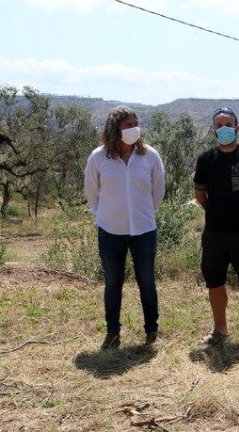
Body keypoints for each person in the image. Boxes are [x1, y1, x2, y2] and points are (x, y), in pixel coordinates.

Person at [84, 106, 165, 350]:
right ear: (115, 129)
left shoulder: (150, 156)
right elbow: (91, 192)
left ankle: (152, 331)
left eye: (135, 124)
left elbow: (158, 191)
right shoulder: (98, 157)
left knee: (147, 282)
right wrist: (104, 215)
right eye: (128, 125)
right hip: (110, 231)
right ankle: (112, 333)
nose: (134, 129)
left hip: (143, 230)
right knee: (113, 282)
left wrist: (145, 213)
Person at [194, 107, 239, 346]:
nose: (224, 128)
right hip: (214, 233)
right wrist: (214, 213)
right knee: (215, 283)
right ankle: (220, 331)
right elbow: (200, 194)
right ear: (213, 129)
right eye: (219, 125)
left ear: (237, 127)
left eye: (229, 124)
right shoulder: (206, 159)